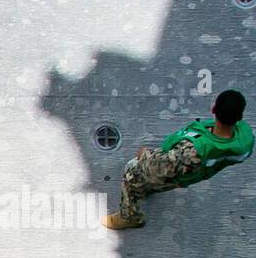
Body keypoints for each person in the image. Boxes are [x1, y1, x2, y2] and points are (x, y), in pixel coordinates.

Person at [102, 89, 252, 230]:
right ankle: (146, 189)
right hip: (196, 170)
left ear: (213, 109)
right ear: (239, 117)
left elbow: (160, 166)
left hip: (177, 168)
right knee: (150, 177)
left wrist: (144, 155)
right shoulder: (244, 139)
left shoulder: (192, 151)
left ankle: (129, 216)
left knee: (131, 172)